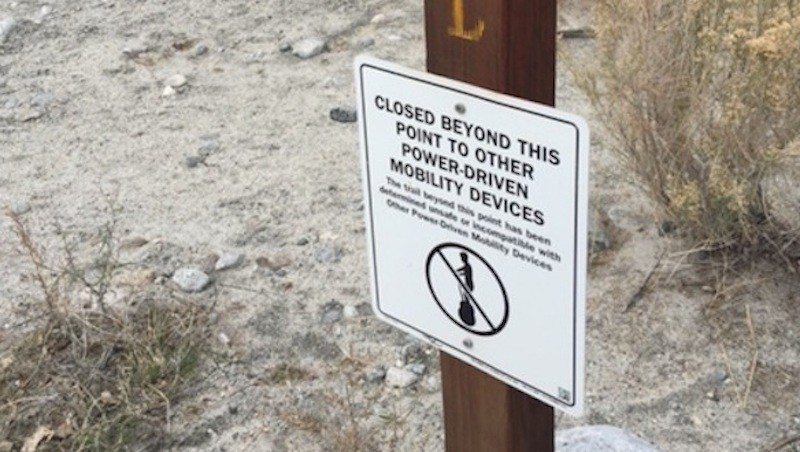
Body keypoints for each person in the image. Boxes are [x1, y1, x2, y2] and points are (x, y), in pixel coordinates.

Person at [456, 252, 475, 326]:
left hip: (469, 285)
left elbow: (465, 272)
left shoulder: (468, 266)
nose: (461, 259)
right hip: (467, 284)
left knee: (465, 298)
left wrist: (458, 272)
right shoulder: (466, 266)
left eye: (462, 258)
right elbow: (462, 270)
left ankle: (467, 312)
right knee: (464, 297)